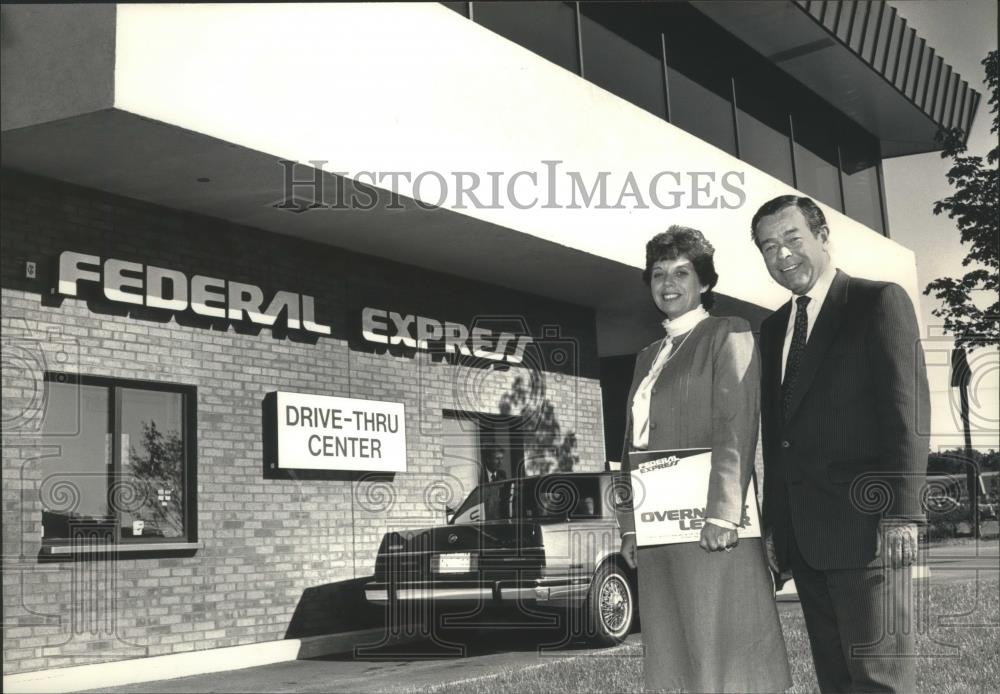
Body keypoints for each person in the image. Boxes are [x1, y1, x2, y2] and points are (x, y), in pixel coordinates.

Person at [752, 195, 929, 693]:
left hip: (869, 529)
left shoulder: (877, 302)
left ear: (823, 236)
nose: (782, 255)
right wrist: (774, 528)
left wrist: (903, 513)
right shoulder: (771, 331)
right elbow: (779, 437)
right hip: (806, 540)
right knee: (836, 680)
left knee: (879, 679)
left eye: (792, 239)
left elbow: (907, 412)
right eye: (768, 247)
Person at [617, 226, 791, 693]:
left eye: (681, 271)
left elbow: (736, 426)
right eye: (658, 273)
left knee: (724, 648)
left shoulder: (727, 333)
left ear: (705, 282)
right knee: (676, 649)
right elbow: (630, 447)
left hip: (712, 526)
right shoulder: (648, 355)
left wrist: (723, 512)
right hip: (659, 527)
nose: (667, 283)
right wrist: (630, 525)